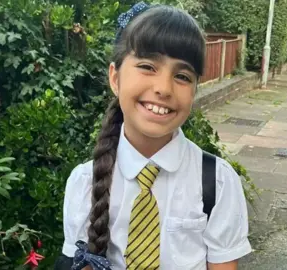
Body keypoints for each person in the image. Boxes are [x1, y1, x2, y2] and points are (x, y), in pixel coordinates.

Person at [59, 2, 252, 269]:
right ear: (115, 78)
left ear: (195, 89)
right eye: (148, 66)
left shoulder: (217, 183)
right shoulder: (84, 184)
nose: (163, 88)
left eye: (182, 76)